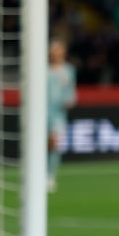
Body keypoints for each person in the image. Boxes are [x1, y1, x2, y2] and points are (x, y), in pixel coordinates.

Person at [46, 38, 76, 194]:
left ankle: (50, 176)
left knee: (54, 142)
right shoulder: (43, 70)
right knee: (42, 145)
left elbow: (70, 92)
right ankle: (41, 174)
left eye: (59, 49)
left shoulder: (69, 70)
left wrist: (70, 100)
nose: (56, 53)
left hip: (58, 113)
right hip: (42, 112)